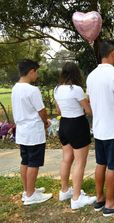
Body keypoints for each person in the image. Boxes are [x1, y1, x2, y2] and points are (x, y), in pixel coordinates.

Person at [86, 40, 114, 217]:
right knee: (113, 166)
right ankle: (111, 205)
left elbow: (90, 100)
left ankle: (100, 199)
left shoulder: (91, 75)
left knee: (101, 163)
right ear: (113, 53)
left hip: (99, 130)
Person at [54, 62, 96, 209]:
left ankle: (64, 190)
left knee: (66, 159)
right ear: (76, 73)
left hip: (64, 124)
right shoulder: (76, 89)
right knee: (80, 162)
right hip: (77, 125)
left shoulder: (57, 89)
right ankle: (76, 198)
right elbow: (89, 111)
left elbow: (58, 111)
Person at [11, 59, 53, 205]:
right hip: (33, 131)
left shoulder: (15, 88)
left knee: (26, 160)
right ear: (31, 71)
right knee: (34, 162)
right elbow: (41, 111)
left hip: (22, 131)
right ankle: (30, 195)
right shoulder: (32, 90)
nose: (37, 75)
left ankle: (28, 190)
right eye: (36, 72)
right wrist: (46, 122)